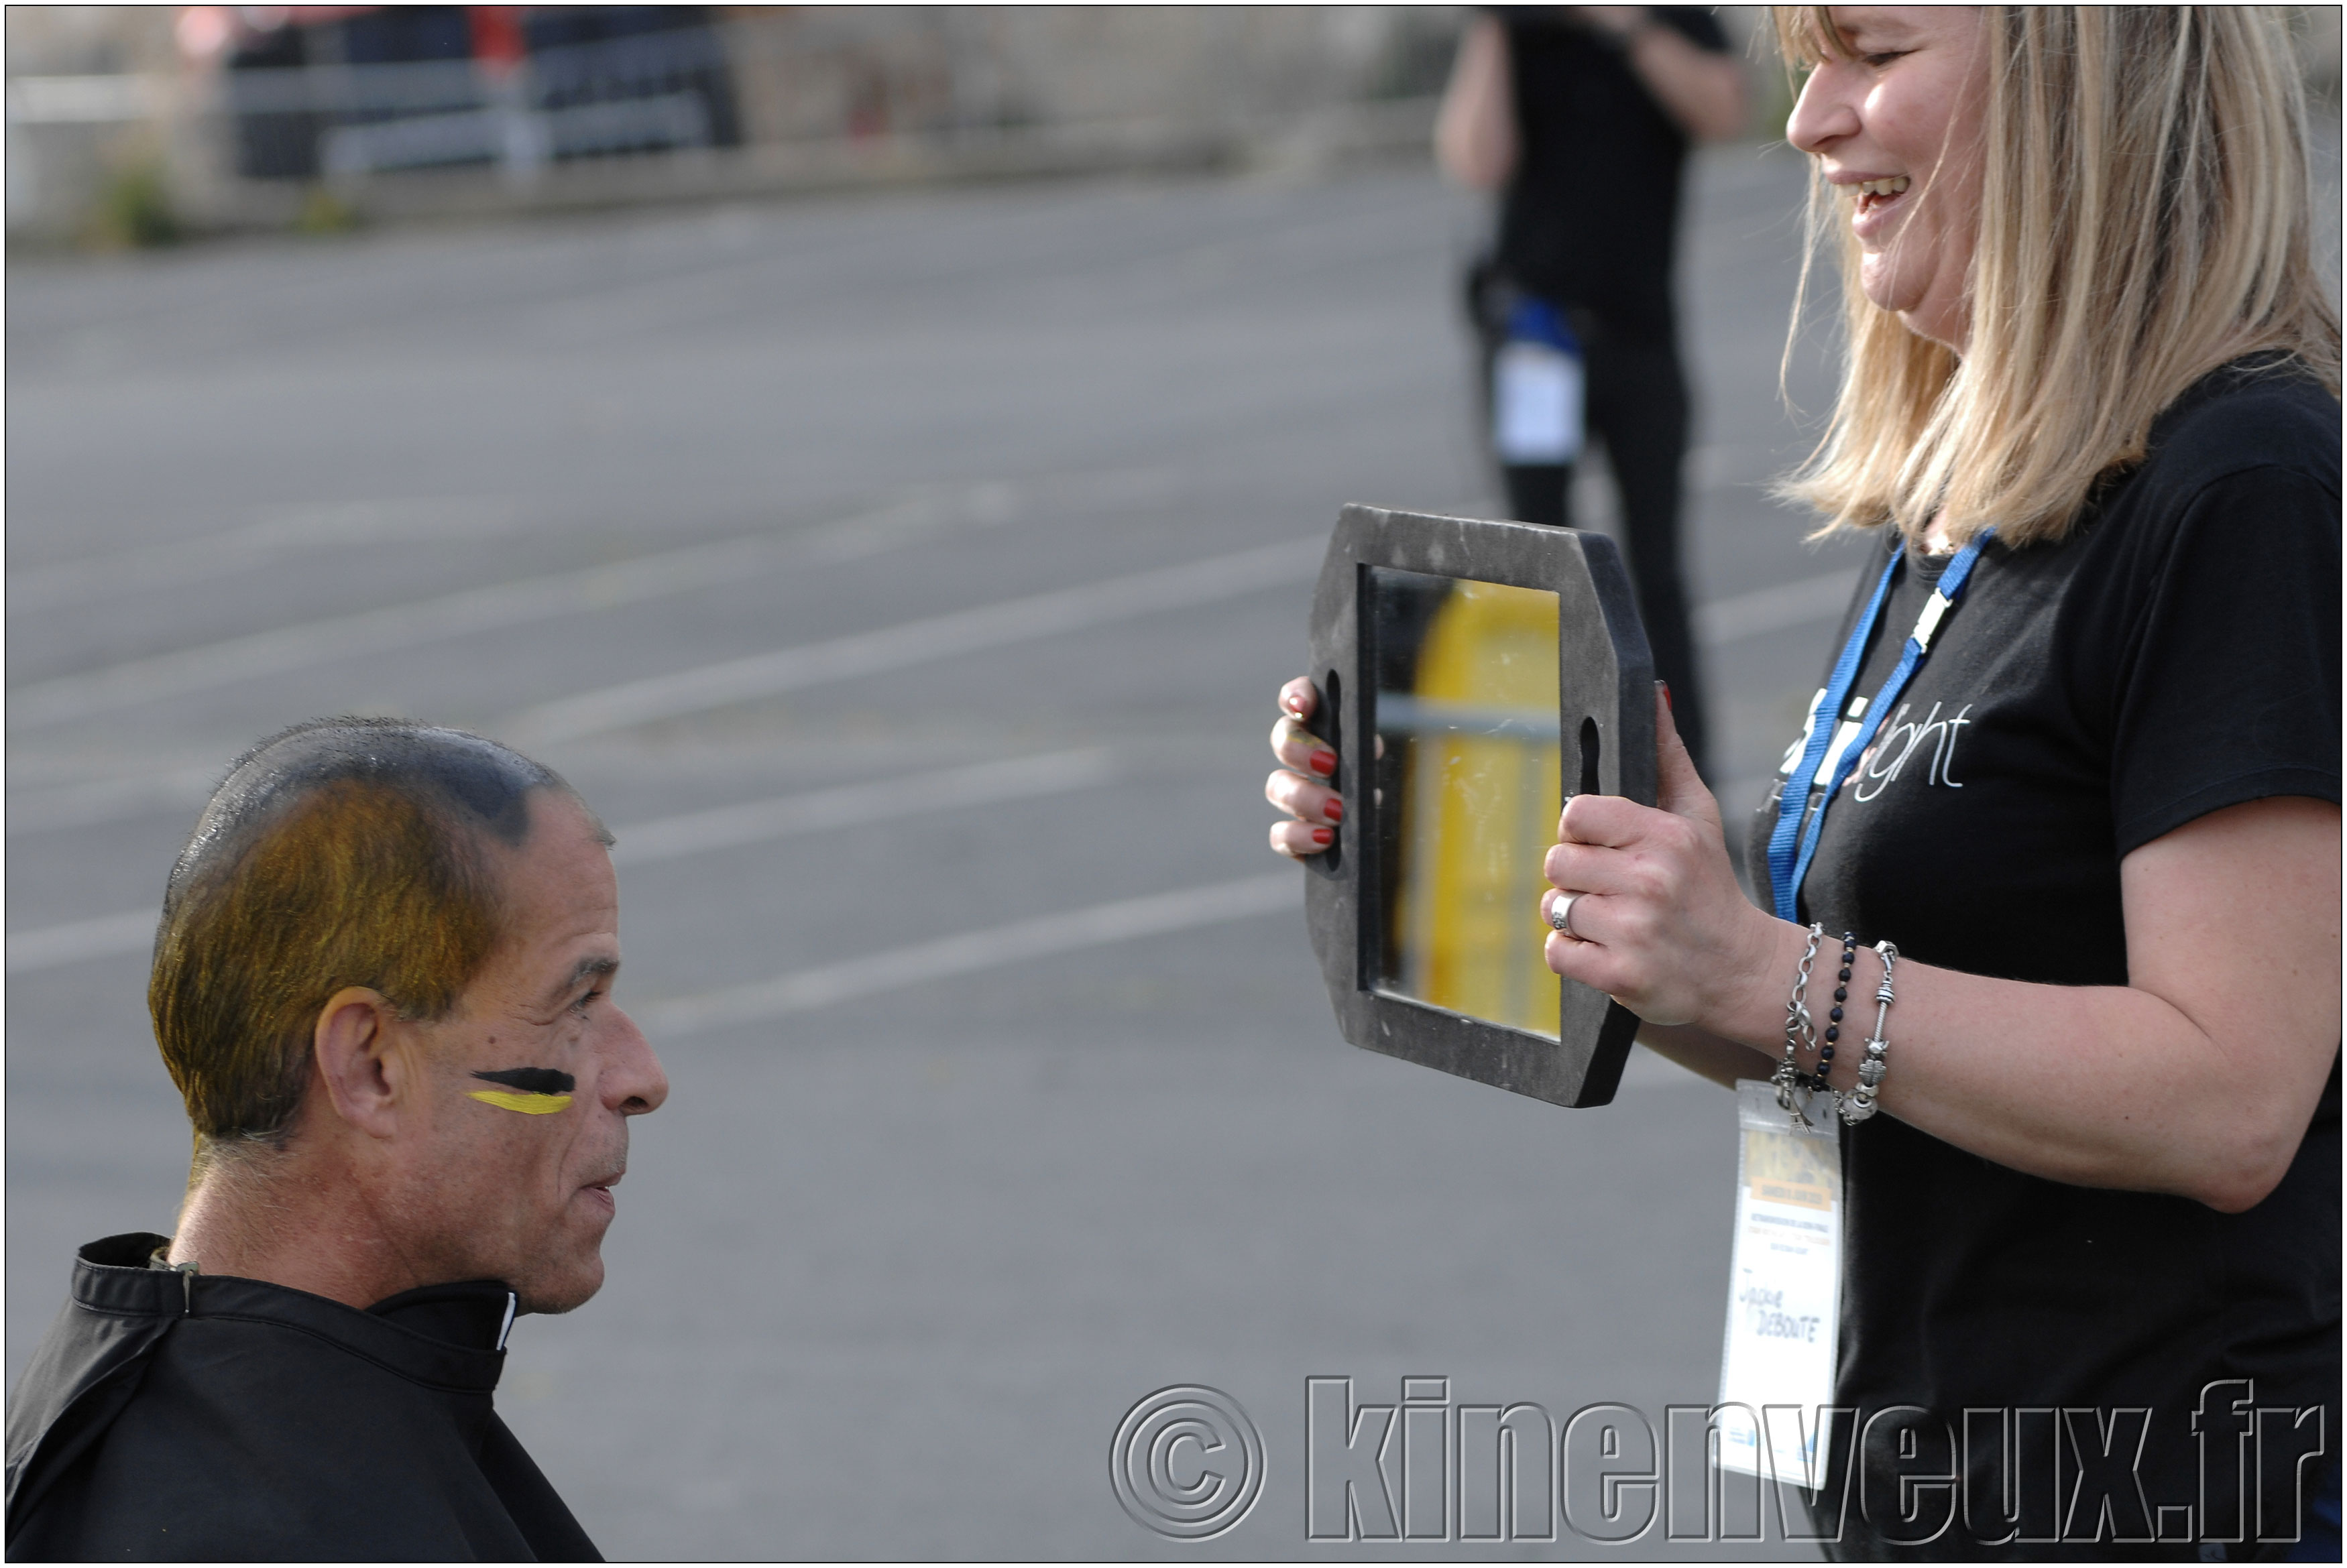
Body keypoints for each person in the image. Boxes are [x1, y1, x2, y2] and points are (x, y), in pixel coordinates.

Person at [1273, 7, 2339, 1557]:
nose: (1808, 120)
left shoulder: (2242, 483)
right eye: (1807, 62)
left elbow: (2232, 1094)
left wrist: (1773, 973)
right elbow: (1835, 1030)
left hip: (2167, 1503)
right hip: (1929, 1499)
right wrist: (1475, 859)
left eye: (1874, 54)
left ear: (2081, 74)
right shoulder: (1975, 493)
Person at [6, 719, 668, 1561]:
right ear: (370, 1067)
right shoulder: (256, 1527)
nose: (641, 1075)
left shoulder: (209, 1411)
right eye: (576, 1002)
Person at [1436, 5, 1747, 772]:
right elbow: (1476, 160)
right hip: (1535, 342)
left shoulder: (1666, 19)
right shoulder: (1517, 30)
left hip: (1638, 337)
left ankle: (1685, 775)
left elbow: (1725, 111)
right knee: (1539, 564)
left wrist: (1622, 23)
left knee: (1656, 568)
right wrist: (1492, 24)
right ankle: (1551, 776)